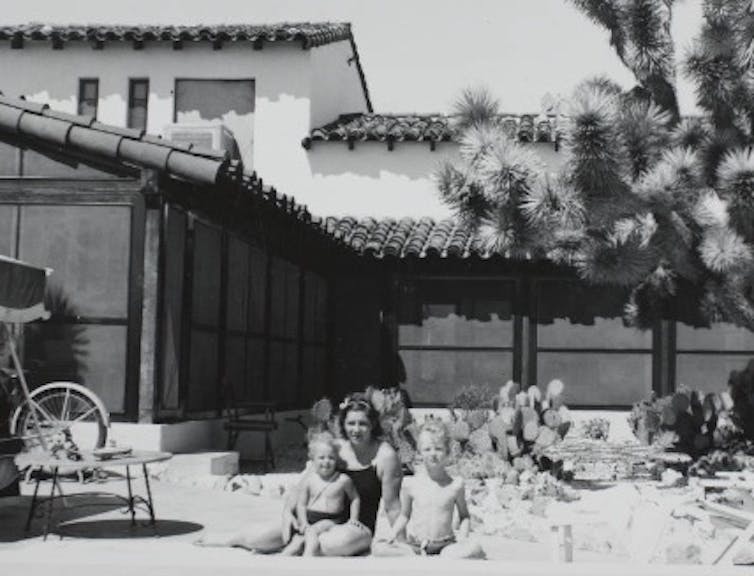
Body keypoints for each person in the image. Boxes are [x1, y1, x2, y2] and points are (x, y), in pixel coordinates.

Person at [197, 392, 403, 556]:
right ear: (343, 424)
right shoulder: (336, 449)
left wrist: (401, 542)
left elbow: (393, 505)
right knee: (262, 537)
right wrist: (288, 512)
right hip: (313, 520)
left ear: (373, 424)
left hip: (355, 528)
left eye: (363, 424)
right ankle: (232, 539)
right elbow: (301, 487)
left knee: (334, 543)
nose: (356, 430)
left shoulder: (385, 455)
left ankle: (301, 545)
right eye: (351, 423)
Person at [382, 420, 484, 558]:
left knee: (474, 549)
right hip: (417, 544)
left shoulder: (455, 485)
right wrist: (392, 534)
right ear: (419, 453)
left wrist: (463, 538)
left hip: (445, 545)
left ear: (447, 452)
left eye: (438, 448)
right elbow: (404, 515)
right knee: (379, 548)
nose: (433, 453)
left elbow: (464, 516)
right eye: (427, 449)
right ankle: (415, 556)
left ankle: (444, 557)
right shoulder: (410, 484)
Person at [282, 432, 360, 556]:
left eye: (331, 458)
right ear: (312, 460)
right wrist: (303, 522)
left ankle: (309, 556)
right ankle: (280, 562)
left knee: (312, 533)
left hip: (330, 519)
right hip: (310, 516)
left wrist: (353, 518)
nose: (326, 462)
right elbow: (301, 505)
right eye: (321, 458)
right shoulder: (309, 480)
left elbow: (355, 498)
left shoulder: (343, 480)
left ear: (337, 459)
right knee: (295, 543)